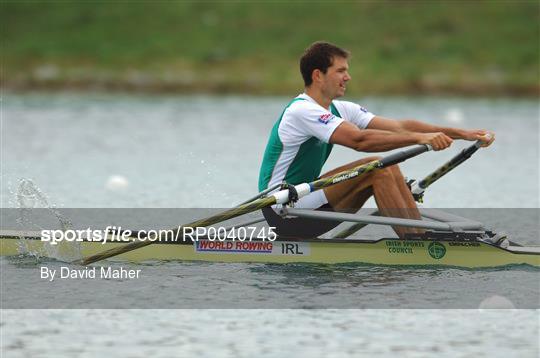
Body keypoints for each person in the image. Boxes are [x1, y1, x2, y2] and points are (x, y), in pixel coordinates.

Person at [258, 41, 494, 239]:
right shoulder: (301, 111)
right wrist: (422, 138)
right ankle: (415, 241)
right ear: (318, 75)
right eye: (340, 71)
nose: (347, 77)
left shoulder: (340, 109)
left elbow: (400, 126)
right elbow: (359, 141)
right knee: (376, 167)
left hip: (307, 199)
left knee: (385, 166)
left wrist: (461, 133)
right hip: (283, 210)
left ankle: (420, 236)